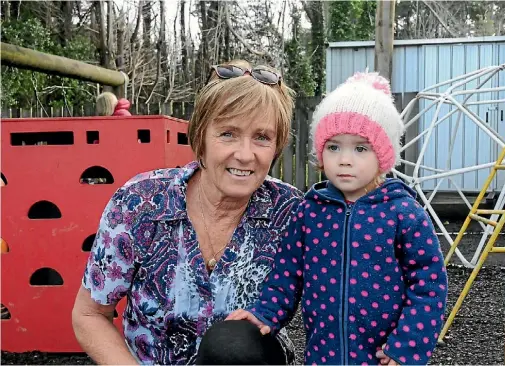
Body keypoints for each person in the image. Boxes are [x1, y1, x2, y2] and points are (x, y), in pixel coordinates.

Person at [72, 60, 302, 365]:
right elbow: (89, 314)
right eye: (228, 134)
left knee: (233, 344)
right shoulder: (141, 203)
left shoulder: (293, 213)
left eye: (262, 137)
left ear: (276, 146)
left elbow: (349, 283)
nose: (246, 155)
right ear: (202, 137)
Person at [227, 72, 448, 365]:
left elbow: (429, 284)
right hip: (323, 355)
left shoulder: (403, 213)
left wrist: (408, 344)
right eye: (333, 147)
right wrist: (265, 313)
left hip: (384, 357)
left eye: (360, 148)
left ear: (383, 155)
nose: (345, 159)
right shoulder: (309, 212)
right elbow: (287, 275)